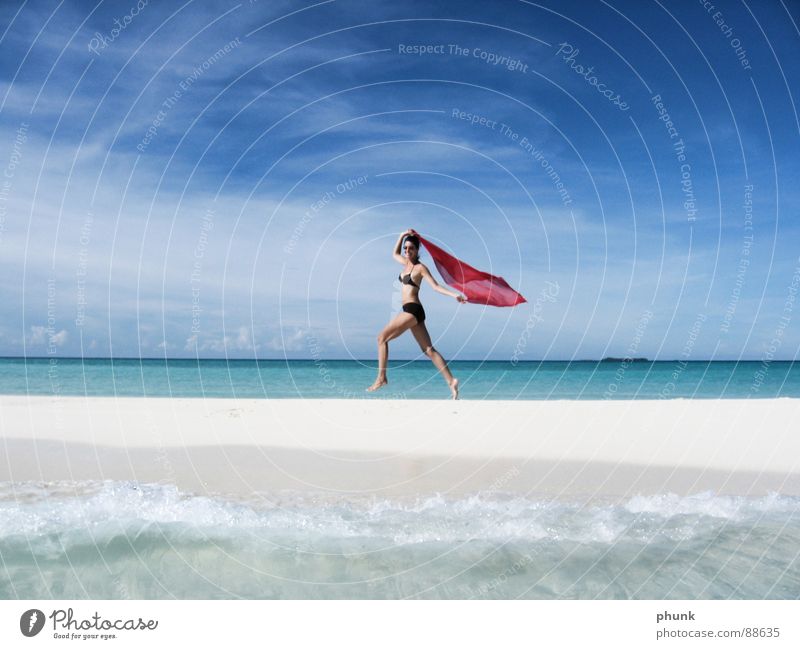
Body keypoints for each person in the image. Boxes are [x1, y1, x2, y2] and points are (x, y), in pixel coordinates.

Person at [367, 229, 466, 399]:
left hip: (413, 309)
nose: (407, 251)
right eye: (405, 248)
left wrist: (454, 294)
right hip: (411, 312)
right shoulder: (405, 263)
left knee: (381, 338)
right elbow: (394, 253)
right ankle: (452, 381)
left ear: (417, 249)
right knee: (428, 350)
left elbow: (435, 286)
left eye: (411, 248)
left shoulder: (421, 268)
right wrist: (401, 235)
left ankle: (381, 378)